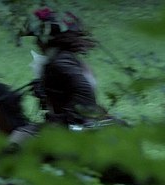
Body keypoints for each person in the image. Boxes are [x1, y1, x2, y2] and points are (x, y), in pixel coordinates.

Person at [9, 6, 112, 146]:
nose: (36, 42)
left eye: (38, 38)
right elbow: (63, 94)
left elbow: (84, 89)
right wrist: (42, 91)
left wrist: (67, 119)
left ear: (48, 39)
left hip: (74, 125)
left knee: (16, 141)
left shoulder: (60, 61)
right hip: (74, 121)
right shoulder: (62, 58)